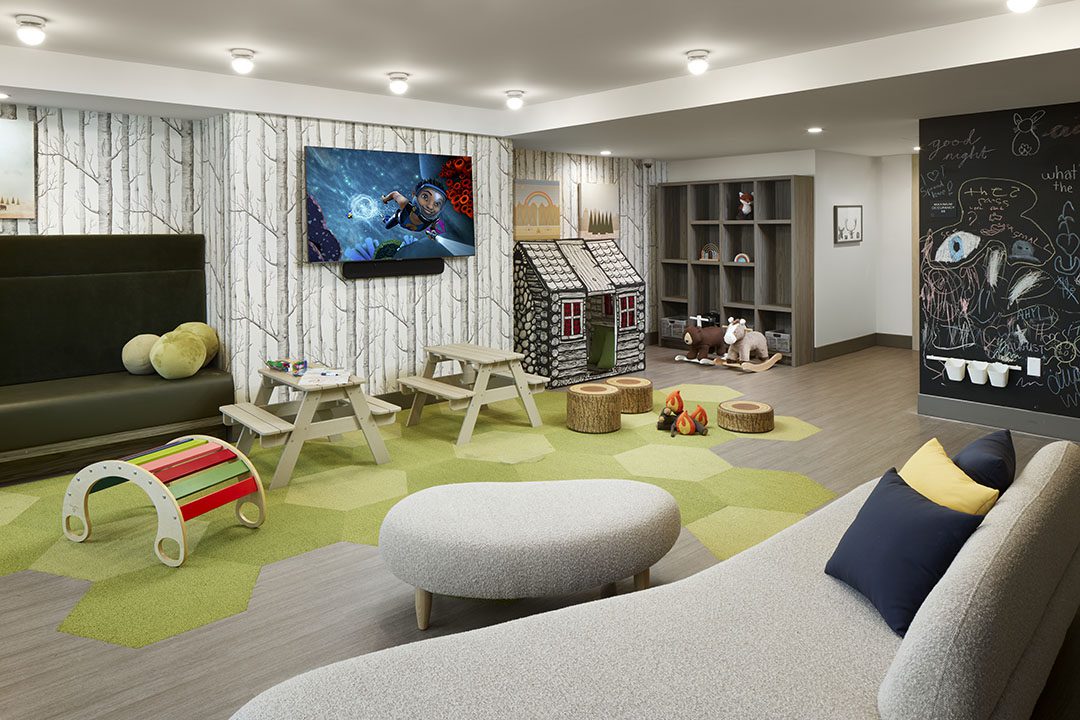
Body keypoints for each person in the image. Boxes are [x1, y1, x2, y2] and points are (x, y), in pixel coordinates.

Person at [381, 178, 449, 235]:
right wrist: (385, 199)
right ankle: (386, 218)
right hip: (398, 219)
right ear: (414, 195)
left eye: (437, 204)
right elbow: (394, 194)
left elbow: (433, 226)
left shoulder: (433, 219)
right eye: (425, 197)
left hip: (404, 222)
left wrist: (433, 230)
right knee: (387, 225)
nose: (430, 206)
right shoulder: (405, 205)